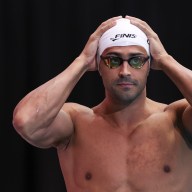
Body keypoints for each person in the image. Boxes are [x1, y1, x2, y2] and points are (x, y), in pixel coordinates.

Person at [12, 15, 192, 192]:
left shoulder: (177, 120)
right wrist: (81, 61)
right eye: (113, 60)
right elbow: (25, 120)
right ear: (98, 65)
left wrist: (165, 59)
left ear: (149, 65)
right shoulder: (76, 125)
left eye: (136, 60)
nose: (125, 71)